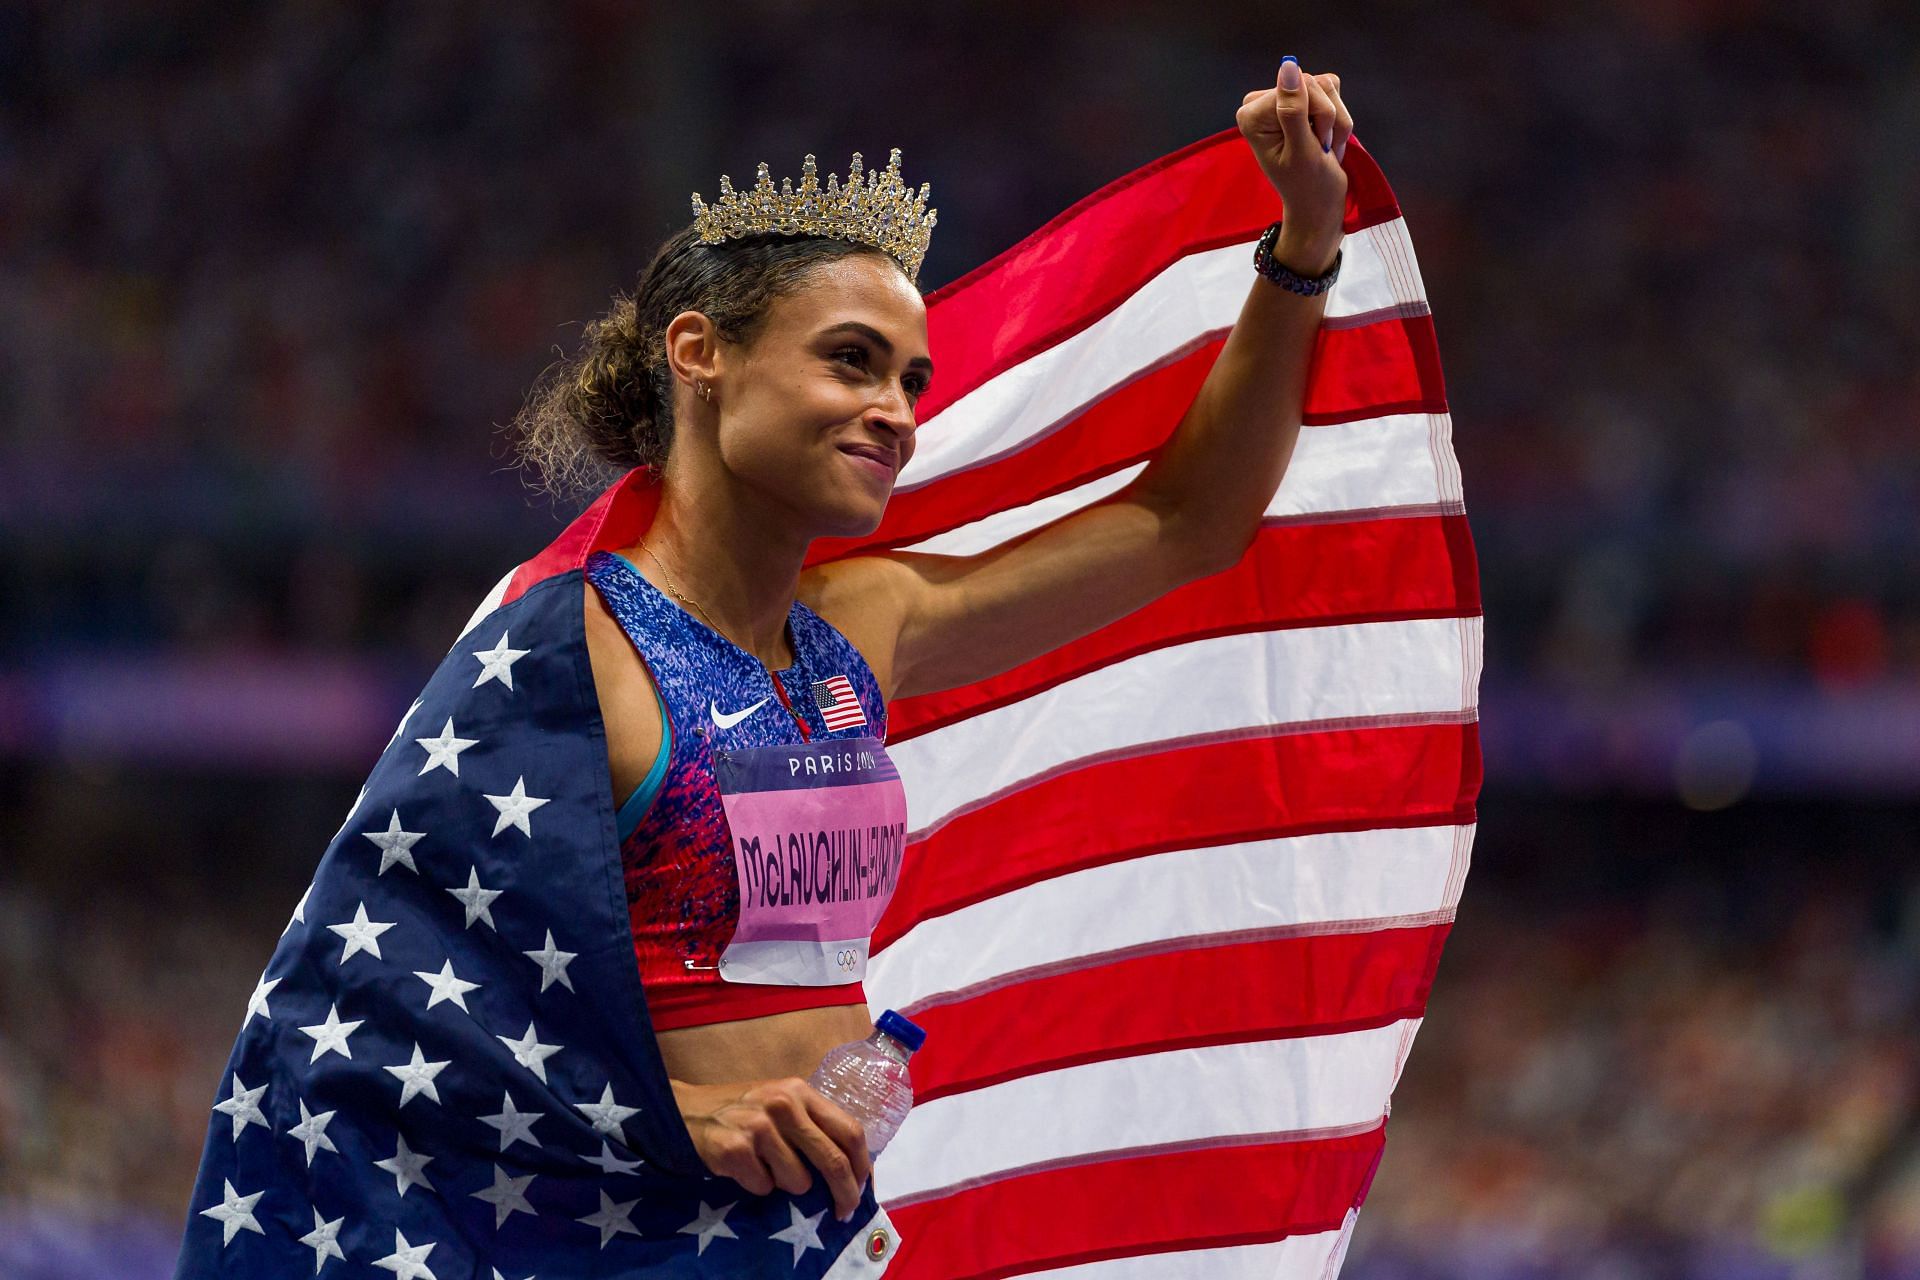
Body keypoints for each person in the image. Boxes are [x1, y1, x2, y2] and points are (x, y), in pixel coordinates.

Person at [174, 57, 1352, 1279]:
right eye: (851, 360)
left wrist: (1301, 247)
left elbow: (1188, 523)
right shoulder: (567, 644)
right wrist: (674, 1120)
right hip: (622, 1242)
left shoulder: (866, 628)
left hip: (822, 1242)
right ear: (701, 353)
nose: (897, 409)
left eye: (912, 378)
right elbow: (381, 1008)